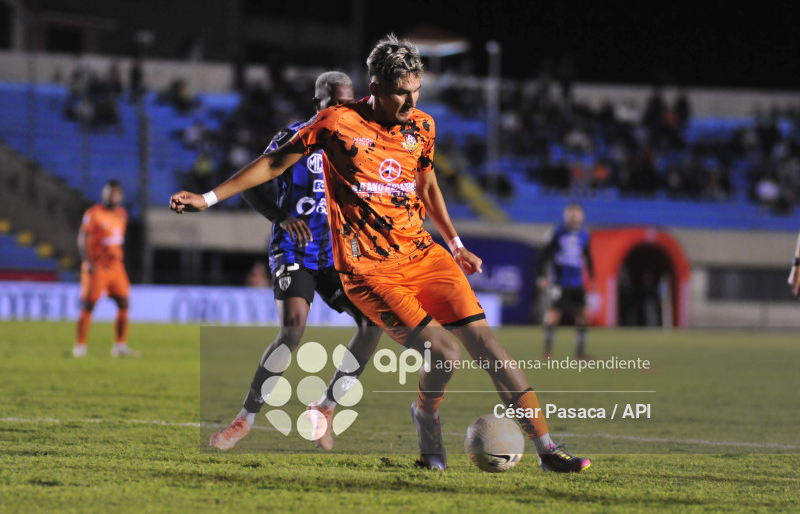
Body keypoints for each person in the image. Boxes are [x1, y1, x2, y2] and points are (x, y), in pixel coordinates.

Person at [171, 34, 590, 473]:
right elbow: (275, 163)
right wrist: (208, 198)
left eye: (416, 90)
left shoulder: (422, 127)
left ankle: (547, 451)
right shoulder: (336, 123)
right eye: (400, 93)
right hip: (370, 270)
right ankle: (426, 417)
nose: (411, 102)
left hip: (424, 255)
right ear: (375, 87)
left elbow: (426, 184)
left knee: (491, 348)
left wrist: (456, 243)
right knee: (444, 355)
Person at [208, 72, 383, 452]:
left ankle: (326, 408)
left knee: (373, 323)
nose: (340, 110)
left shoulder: (359, 142)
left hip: (335, 252)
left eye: (347, 103)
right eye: (333, 103)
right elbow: (253, 182)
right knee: (293, 331)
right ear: (317, 103)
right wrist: (280, 217)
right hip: (294, 248)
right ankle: (245, 418)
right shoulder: (294, 137)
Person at [73, 180, 138, 358]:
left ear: (121, 196)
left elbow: (117, 242)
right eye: (110, 192)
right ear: (104, 194)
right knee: (89, 305)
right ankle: (80, 346)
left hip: (116, 268)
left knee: (124, 303)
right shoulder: (93, 213)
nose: (113, 196)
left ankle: (120, 345)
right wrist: (87, 262)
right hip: (97, 267)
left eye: (116, 193)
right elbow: (82, 237)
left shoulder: (122, 215)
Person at [536, 202, 595, 359]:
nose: (574, 217)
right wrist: (542, 275)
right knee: (554, 314)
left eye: (577, 214)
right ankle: (547, 352)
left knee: (583, 315)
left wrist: (592, 276)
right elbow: (545, 253)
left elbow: (588, 257)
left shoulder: (584, 234)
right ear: (567, 215)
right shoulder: (557, 231)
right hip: (559, 281)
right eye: (572, 214)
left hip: (577, 282)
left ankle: (580, 352)